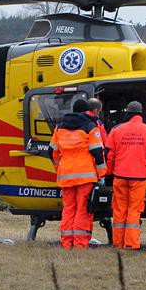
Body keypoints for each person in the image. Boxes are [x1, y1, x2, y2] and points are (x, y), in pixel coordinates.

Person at [49, 99, 107, 249]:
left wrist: (59, 168)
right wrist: (101, 174)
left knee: (68, 209)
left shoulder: (59, 127)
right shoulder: (90, 126)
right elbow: (97, 152)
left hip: (65, 174)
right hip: (85, 175)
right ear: (85, 111)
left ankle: (67, 243)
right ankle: (80, 244)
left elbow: (52, 151)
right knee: (83, 209)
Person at [105, 101, 146, 250]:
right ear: (140, 113)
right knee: (134, 210)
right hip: (139, 178)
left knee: (119, 209)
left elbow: (109, 155)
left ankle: (118, 242)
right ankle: (131, 243)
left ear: (127, 113)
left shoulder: (116, 129)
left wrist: (108, 175)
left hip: (119, 176)